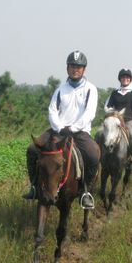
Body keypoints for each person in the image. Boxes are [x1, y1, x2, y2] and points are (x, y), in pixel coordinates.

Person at [23, 50, 100, 209]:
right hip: (58, 131)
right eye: (72, 66)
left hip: (80, 132)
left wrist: (73, 128)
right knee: (32, 150)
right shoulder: (60, 90)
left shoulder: (91, 89)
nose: (75, 69)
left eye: (79, 67)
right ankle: (35, 187)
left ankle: (85, 191)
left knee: (93, 154)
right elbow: (52, 111)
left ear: (84, 69)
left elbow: (89, 113)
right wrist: (59, 127)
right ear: (67, 68)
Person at [104, 69, 132, 170]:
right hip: (115, 120)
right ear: (120, 79)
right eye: (123, 77)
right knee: (100, 134)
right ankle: (100, 157)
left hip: (128, 120)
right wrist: (112, 112)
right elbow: (109, 105)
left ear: (130, 79)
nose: (125, 79)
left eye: (127, 77)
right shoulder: (115, 92)